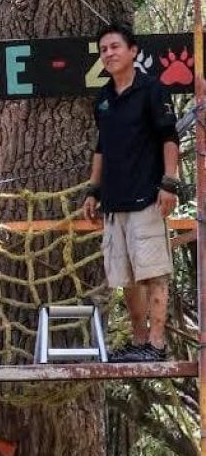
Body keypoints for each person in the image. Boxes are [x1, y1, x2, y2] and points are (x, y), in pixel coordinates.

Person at [82, 22, 180, 363]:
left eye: (115, 47)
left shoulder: (153, 90)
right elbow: (101, 148)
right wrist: (93, 190)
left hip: (147, 197)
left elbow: (170, 138)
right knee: (125, 277)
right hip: (113, 201)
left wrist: (169, 183)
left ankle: (156, 344)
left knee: (153, 272)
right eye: (104, 49)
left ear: (133, 51)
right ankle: (138, 341)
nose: (109, 53)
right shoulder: (103, 99)